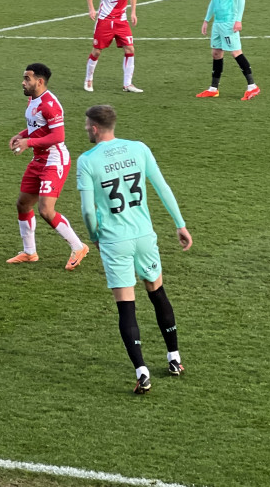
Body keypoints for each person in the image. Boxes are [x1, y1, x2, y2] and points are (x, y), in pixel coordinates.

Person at [76, 104, 192, 394]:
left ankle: (142, 372)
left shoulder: (87, 160)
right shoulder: (139, 148)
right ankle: (174, 358)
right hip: (144, 235)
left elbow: (88, 211)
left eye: (86, 124)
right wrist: (180, 224)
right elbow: (162, 186)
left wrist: (94, 237)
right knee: (157, 292)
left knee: (126, 306)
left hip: (115, 240)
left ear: (94, 127)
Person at [7, 63, 90, 269]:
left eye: (27, 79)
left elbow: (58, 136)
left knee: (46, 210)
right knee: (23, 204)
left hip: (55, 160)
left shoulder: (50, 104)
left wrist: (29, 143)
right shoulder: (33, 100)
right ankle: (29, 252)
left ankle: (78, 246)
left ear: (39, 81)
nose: (23, 82)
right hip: (38, 160)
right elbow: (36, 127)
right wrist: (22, 135)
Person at [197, 0, 260, 100]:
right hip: (217, 22)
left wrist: (238, 20)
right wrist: (206, 20)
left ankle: (252, 86)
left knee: (235, 52)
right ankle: (213, 88)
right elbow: (213, 0)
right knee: (216, 53)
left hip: (229, 22)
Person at [84, 0, 142, 93]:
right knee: (97, 51)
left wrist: (133, 12)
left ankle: (127, 84)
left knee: (130, 49)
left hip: (121, 21)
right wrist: (92, 9)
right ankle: (88, 79)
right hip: (104, 20)